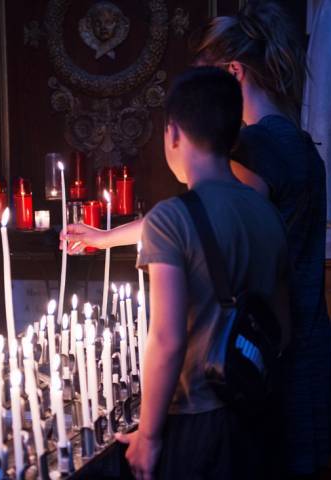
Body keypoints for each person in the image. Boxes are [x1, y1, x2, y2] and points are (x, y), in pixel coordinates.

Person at [66, 3, 331, 478]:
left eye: (209, 77)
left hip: (250, 360)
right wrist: (107, 237)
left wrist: (107, 238)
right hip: (299, 339)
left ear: (232, 74)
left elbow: (210, 222)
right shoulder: (299, 144)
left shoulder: (255, 148)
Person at [114, 66, 289, 480]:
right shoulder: (268, 214)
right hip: (257, 416)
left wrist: (150, 437)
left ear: (173, 133)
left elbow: (167, 338)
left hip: (197, 422)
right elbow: (283, 330)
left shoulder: (170, 220)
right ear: (233, 138)